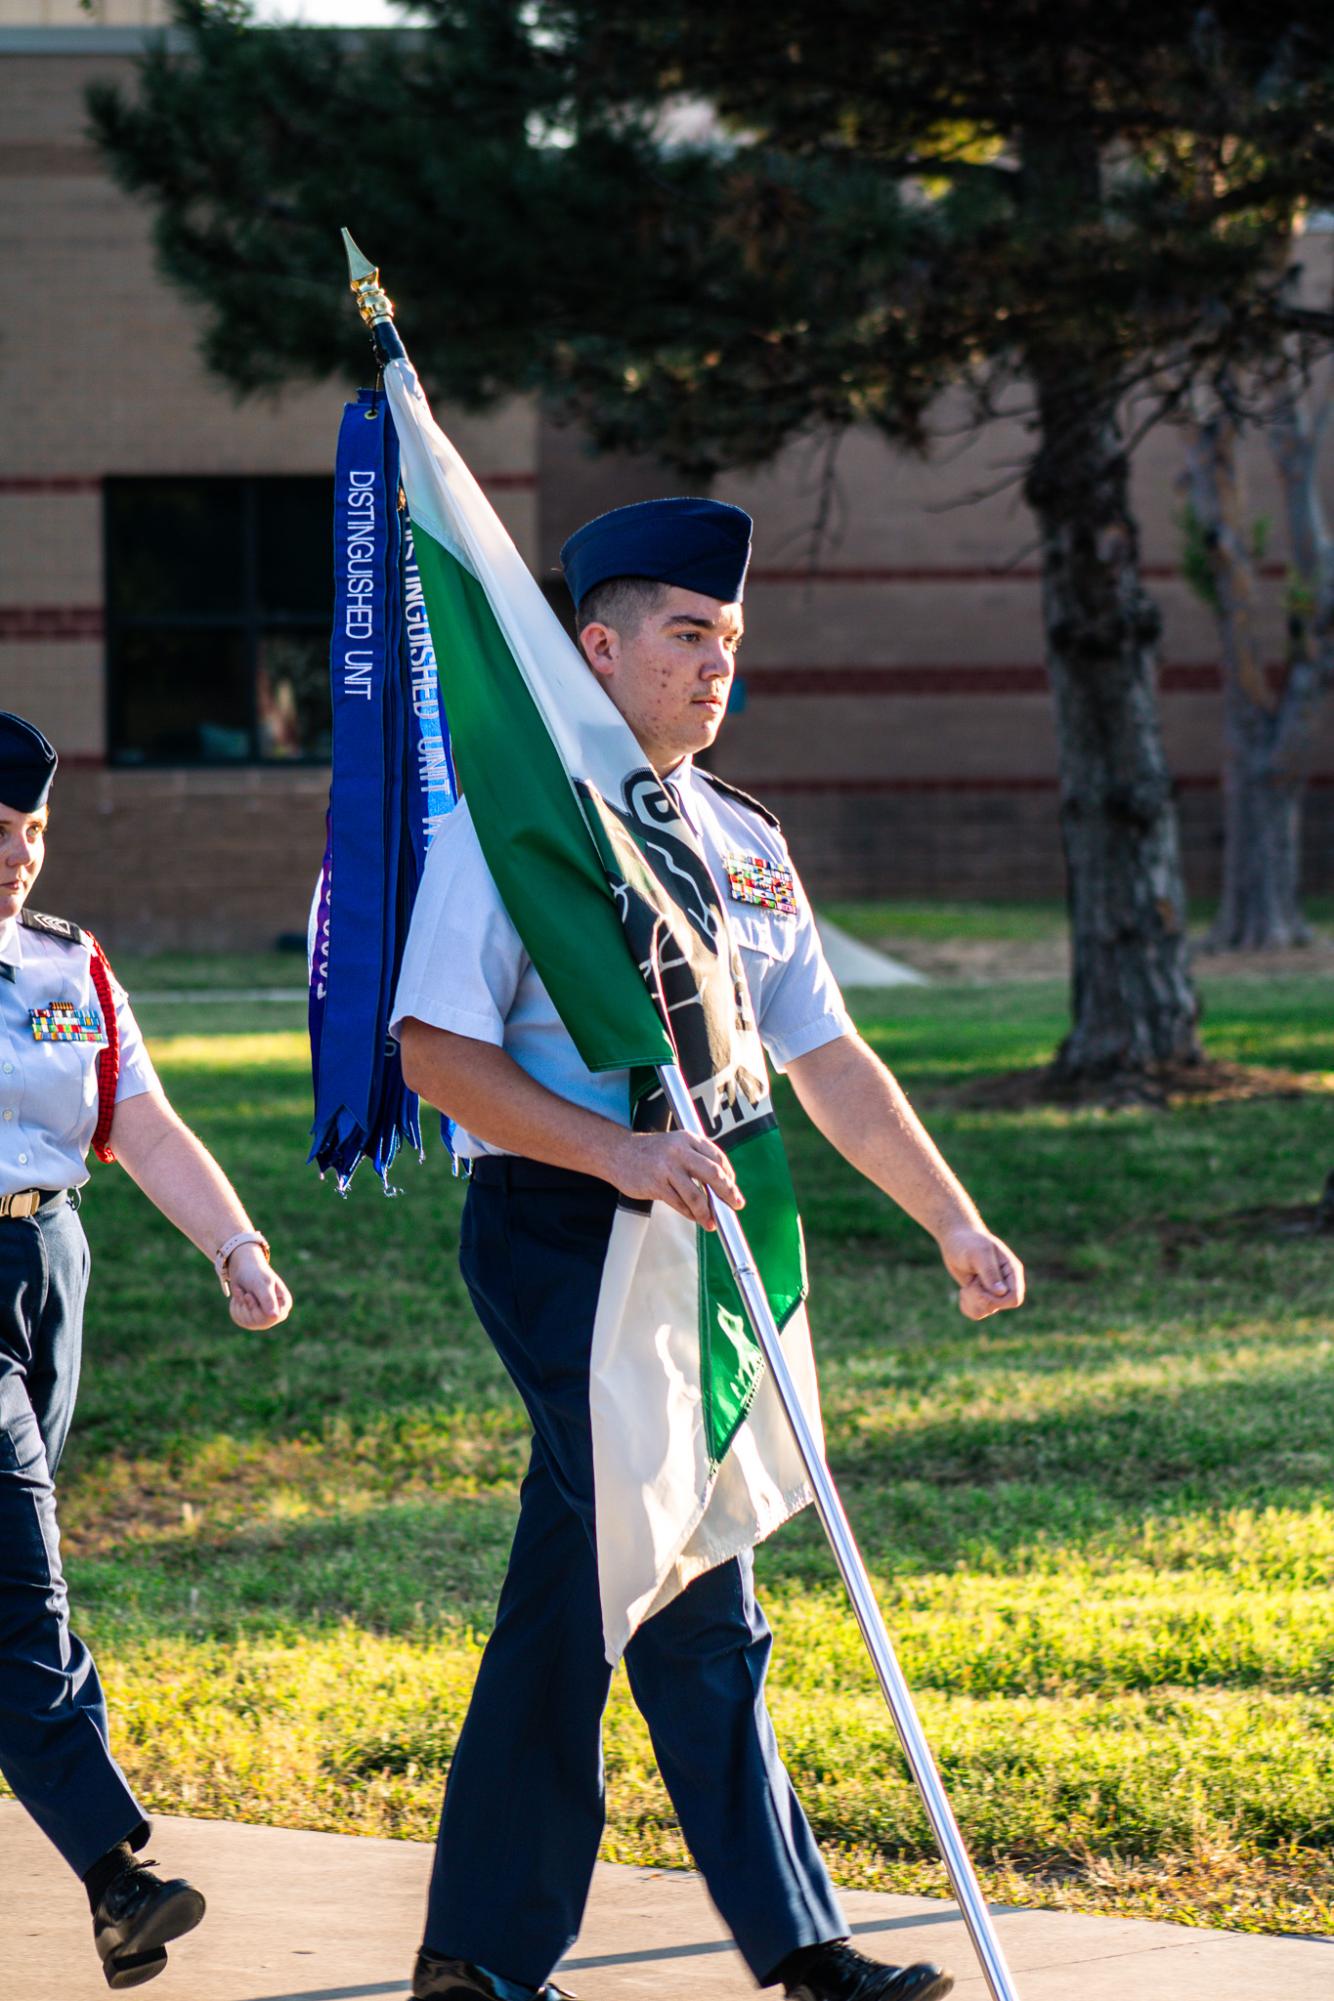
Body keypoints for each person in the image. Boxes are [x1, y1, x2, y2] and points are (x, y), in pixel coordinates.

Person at [392, 500, 1025, 2001]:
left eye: (729, 640)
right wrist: (616, 1152)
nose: (714, 665)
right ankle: (792, 1949)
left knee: (604, 1580)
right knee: (684, 1578)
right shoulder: (523, 825)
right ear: (595, 648)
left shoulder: (738, 838)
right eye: (686, 634)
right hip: (570, 1236)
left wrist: (949, 1215)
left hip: (708, 1239)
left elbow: (825, 1053)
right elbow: (433, 1054)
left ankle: (480, 1954)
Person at [0, 712, 293, 1990]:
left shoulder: (67, 963)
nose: (20, 855)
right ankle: (117, 1872)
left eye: (35, 830)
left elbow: (144, 1121)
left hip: (44, 1269)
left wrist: (233, 1245)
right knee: (22, 1582)